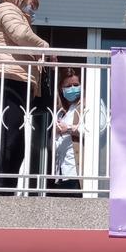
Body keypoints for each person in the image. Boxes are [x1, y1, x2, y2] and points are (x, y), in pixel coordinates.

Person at [0, 0, 52, 196]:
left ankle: (6, 191)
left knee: (16, 140)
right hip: (5, 80)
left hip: (12, 81)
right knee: (7, 136)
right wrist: (45, 47)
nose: (33, 11)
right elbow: (20, 35)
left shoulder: (12, 14)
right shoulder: (8, 9)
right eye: (32, 5)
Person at [48, 69, 84, 197]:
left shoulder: (87, 106)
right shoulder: (63, 113)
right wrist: (55, 133)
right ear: (61, 90)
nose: (72, 88)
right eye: (68, 86)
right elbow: (53, 147)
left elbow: (95, 132)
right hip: (61, 174)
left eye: (76, 85)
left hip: (76, 173)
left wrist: (68, 129)